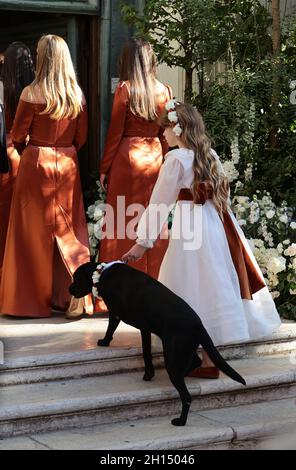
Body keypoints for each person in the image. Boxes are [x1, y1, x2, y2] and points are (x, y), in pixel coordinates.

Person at [123, 100, 281, 378]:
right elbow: (223, 196)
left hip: (190, 231)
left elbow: (159, 203)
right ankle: (207, 359)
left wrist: (142, 241)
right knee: (210, 285)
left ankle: (200, 358)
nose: (163, 135)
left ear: (180, 130)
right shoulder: (211, 156)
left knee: (188, 285)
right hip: (215, 226)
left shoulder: (175, 160)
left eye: (167, 130)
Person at [0, 34, 93, 318]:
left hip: (35, 162)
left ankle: (29, 301)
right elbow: (82, 137)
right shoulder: (76, 94)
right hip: (67, 162)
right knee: (71, 230)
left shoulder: (31, 92)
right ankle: (75, 294)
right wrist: (64, 151)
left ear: (43, 58)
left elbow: (16, 136)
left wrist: (30, 149)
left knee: (30, 234)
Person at [97, 38, 172, 312]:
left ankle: (117, 290)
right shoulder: (164, 89)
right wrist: (168, 162)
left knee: (121, 222)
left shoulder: (126, 89)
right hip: (155, 158)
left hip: (128, 159)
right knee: (154, 219)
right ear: (151, 60)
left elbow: (115, 132)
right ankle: (156, 283)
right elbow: (166, 134)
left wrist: (104, 168)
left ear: (127, 60)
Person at [0, 42, 35, 282]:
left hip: (8, 153)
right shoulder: (34, 89)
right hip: (30, 156)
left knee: (4, 219)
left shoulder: (3, 88)